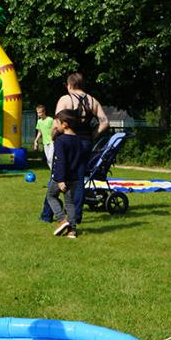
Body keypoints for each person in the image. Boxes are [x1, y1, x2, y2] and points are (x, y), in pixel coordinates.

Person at [41, 73, 109, 223]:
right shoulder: (93, 101)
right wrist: (92, 135)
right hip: (85, 142)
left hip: (67, 141)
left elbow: (56, 124)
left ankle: (47, 215)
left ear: (70, 85)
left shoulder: (66, 99)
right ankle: (76, 217)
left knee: (57, 176)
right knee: (78, 179)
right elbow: (104, 122)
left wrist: (53, 137)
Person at [46, 109, 85, 239]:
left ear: (65, 124)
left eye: (57, 123)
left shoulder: (61, 141)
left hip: (60, 178)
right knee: (70, 204)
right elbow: (79, 160)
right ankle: (72, 231)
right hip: (74, 178)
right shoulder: (78, 140)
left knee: (51, 196)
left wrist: (61, 180)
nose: (55, 126)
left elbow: (61, 161)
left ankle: (62, 220)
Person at [33, 105, 55, 169]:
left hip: (52, 142)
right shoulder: (39, 121)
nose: (38, 114)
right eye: (37, 112)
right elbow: (40, 132)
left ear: (44, 112)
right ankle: (53, 173)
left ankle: (56, 173)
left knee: (51, 158)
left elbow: (55, 129)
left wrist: (54, 139)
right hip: (45, 142)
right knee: (48, 160)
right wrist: (36, 141)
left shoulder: (50, 120)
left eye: (40, 112)